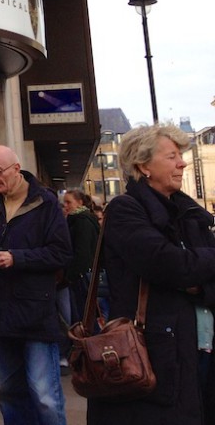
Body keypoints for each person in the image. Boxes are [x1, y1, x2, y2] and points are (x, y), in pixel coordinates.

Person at [87, 124, 215, 425]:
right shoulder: (125, 210)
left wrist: (195, 281)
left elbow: (182, 269)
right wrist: (189, 272)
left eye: (180, 156)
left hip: (202, 350)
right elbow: (166, 264)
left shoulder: (190, 215)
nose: (182, 163)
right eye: (172, 156)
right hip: (154, 355)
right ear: (143, 166)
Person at [0, 145, 71, 425]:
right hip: (2, 315)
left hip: (36, 313)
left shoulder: (45, 203)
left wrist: (17, 258)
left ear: (16, 170)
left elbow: (62, 253)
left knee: (44, 395)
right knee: (10, 393)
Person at [61, 189, 100, 334]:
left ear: (80, 202)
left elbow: (82, 252)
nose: (65, 206)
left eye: (68, 202)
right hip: (84, 275)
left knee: (84, 315)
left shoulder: (81, 221)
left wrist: (70, 276)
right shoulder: (83, 219)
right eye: (64, 202)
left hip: (81, 277)